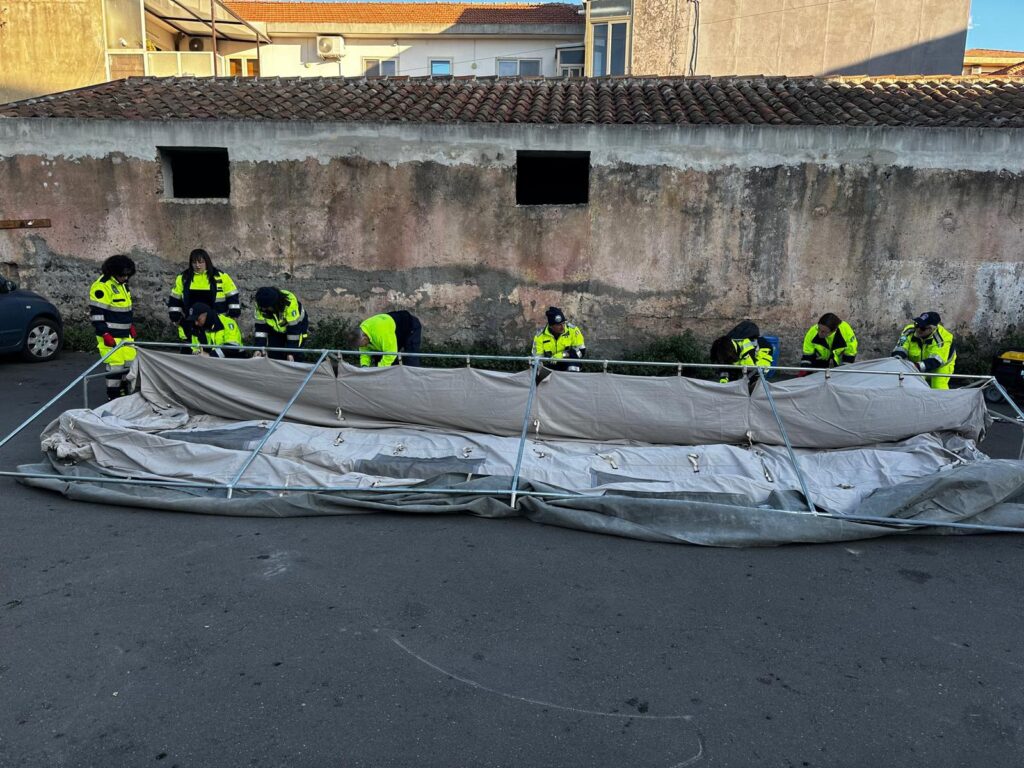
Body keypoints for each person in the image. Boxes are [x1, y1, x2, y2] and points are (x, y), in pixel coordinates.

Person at [168, 249, 241, 354]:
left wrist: (232, 317)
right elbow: (175, 299)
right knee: (188, 358)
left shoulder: (220, 277)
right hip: (191, 326)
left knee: (216, 356)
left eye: (201, 262)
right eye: (194, 262)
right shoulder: (183, 278)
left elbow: (232, 296)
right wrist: (177, 318)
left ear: (207, 262)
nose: (197, 265)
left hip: (216, 326)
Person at [88, 254, 137, 400]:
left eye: (128, 275)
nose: (126, 278)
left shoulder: (122, 285)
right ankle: (113, 396)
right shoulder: (102, 286)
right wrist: (104, 333)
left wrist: (131, 326)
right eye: (123, 275)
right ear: (114, 272)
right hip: (110, 336)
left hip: (125, 334)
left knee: (129, 366)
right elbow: (97, 314)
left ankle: (124, 392)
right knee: (115, 368)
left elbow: (125, 309)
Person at [891, 311, 956, 389]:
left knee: (938, 387)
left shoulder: (942, 339)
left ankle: (943, 400)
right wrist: (897, 361)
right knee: (914, 386)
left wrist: (915, 367)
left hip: (940, 366)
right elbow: (900, 348)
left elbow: (936, 361)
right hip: (917, 364)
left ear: (931, 329)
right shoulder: (909, 331)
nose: (918, 329)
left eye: (922, 328)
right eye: (917, 324)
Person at [253, 287, 308, 361]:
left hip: (297, 327)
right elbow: (260, 330)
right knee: (274, 354)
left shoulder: (290, 303)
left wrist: (291, 352)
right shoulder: (260, 305)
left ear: (274, 304)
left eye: (266, 308)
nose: (263, 310)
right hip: (276, 328)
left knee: (295, 355)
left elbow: (294, 332)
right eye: (262, 307)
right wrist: (259, 349)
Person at [532, 307, 586, 371]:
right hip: (551, 366)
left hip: (569, 364)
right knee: (538, 372)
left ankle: (572, 379)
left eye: (563, 323)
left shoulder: (573, 331)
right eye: (558, 325)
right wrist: (540, 367)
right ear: (551, 326)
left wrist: (563, 354)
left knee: (573, 363)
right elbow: (537, 358)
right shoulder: (540, 336)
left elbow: (581, 352)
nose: (562, 327)